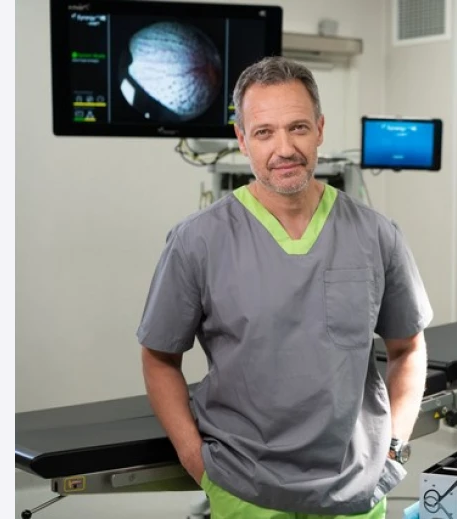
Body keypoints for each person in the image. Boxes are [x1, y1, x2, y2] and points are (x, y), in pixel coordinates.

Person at [136, 56, 434, 518]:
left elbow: (408, 347)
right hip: (244, 488)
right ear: (242, 139)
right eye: (264, 132)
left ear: (319, 129)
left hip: (354, 490)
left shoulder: (376, 234)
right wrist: (197, 462)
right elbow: (159, 357)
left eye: (298, 128)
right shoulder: (198, 240)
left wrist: (394, 447)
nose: (284, 148)